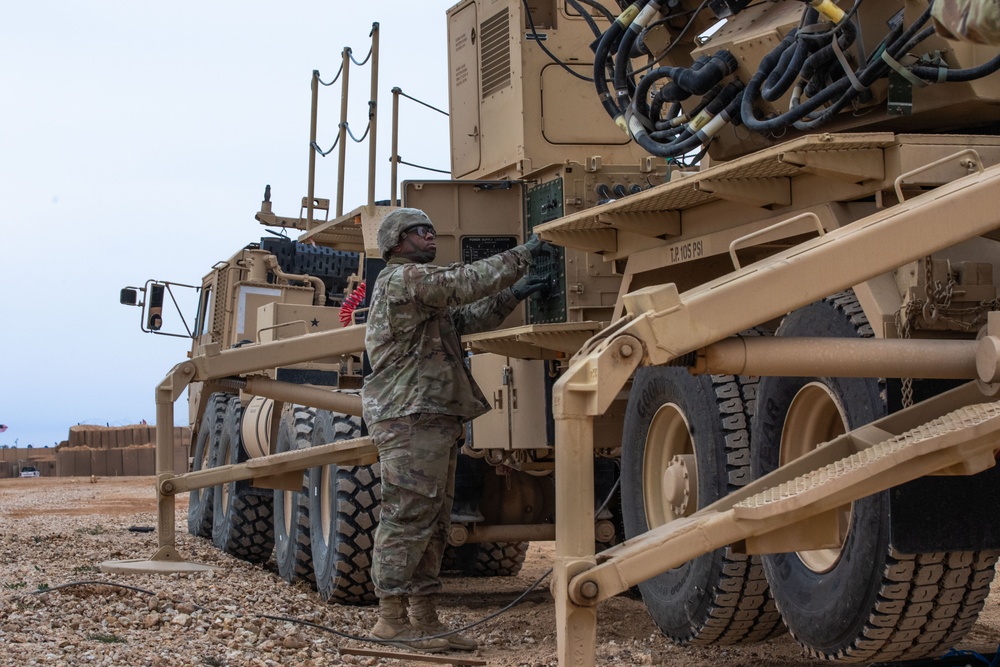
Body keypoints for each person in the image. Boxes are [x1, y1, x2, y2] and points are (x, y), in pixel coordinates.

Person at [362, 208, 550, 653]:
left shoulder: (421, 296)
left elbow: (467, 321)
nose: (431, 235)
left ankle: (424, 619)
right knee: (408, 516)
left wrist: (515, 293)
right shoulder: (401, 279)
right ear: (396, 243)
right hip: (410, 418)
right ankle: (390, 619)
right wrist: (524, 255)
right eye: (419, 231)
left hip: (431, 418)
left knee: (434, 521)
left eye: (430, 229)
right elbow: (462, 283)